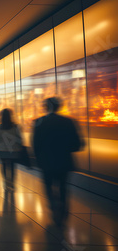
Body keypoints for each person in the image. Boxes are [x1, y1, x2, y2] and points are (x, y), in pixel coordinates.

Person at [33, 97, 82, 227]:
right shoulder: (69, 122)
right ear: (59, 106)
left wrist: (38, 158)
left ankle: (53, 206)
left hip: (46, 161)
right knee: (63, 186)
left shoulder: (39, 122)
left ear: (45, 107)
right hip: (64, 161)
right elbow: (77, 145)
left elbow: (35, 145)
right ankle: (63, 209)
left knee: (48, 185)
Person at [0, 108, 23, 191]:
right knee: (13, 167)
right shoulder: (16, 127)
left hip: (2, 151)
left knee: (4, 167)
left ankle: (6, 183)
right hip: (13, 151)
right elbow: (19, 139)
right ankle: (12, 184)